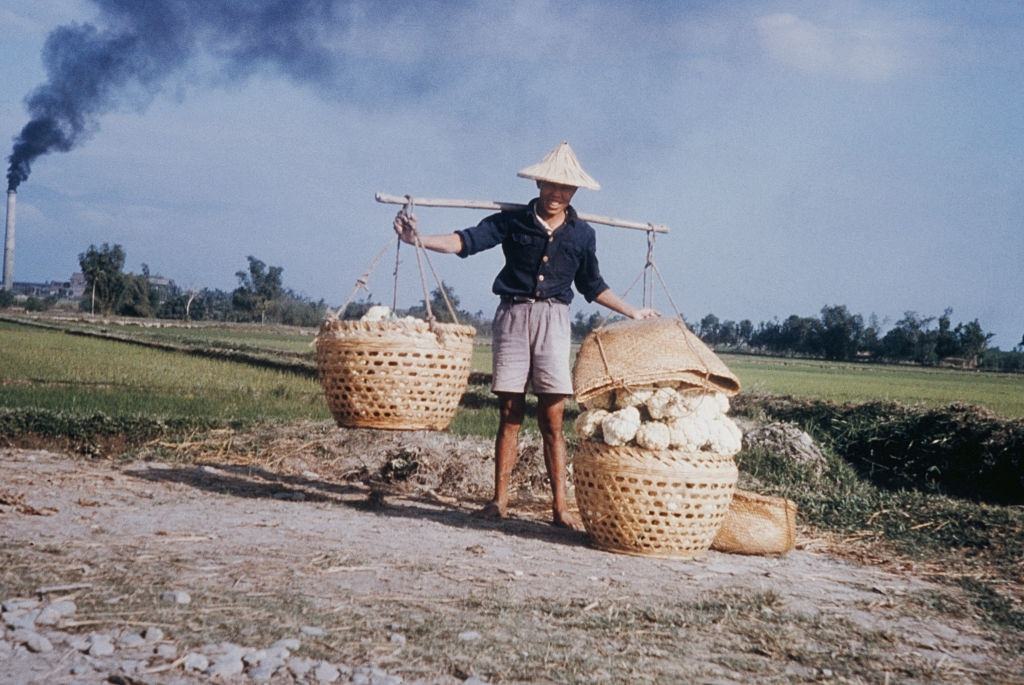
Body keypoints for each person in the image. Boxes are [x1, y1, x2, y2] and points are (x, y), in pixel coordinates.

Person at [393, 141, 657, 530]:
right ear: (538, 184)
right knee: (509, 413)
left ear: (574, 193)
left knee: (552, 417)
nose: (556, 194)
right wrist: (418, 240)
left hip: (554, 321)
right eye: (550, 186)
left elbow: (592, 284)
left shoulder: (582, 234)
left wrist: (632, 310)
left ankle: (559, 508)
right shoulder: (511, 222)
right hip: (513, 315)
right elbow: (464, 241)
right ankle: (499, 500)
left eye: (564, 189)